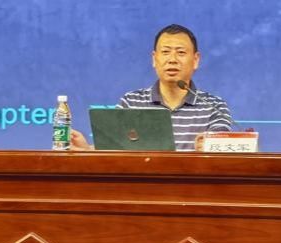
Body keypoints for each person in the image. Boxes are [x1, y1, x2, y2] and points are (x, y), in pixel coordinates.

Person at [70, 24, 234, 151]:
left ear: (196, 60)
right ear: (154, 59)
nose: (172, 59)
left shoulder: (214, 107)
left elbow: (222, 156)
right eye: (165, 52)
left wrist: (210, 147)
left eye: (181, 52)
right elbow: (115, 150)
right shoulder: (131, 102)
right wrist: (87, 150)